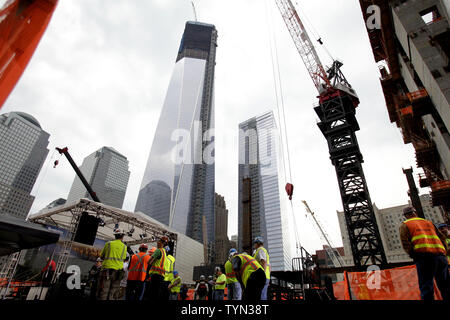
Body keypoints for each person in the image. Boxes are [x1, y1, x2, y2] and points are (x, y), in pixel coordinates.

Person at [399, 207, 449, 300]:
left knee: (426, 287)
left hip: (424, 258)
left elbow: (405, 243)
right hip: (440, 257)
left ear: (406, 216)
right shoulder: (428, 222)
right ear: (415, 213)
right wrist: (444, 251)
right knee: (445, 286)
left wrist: (414, 255)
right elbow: (442, 238)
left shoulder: (405, 225)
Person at [98, 228, 128, 300]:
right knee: (113, 292)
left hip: (107, 270)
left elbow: (101, 256)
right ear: (122, 237)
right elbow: (124, 258)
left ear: (115, 236)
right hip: (118, 272)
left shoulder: (108, 244)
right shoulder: (124, 247)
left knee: (104, 290)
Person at [145, 236, 169, 300]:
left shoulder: (158, 251)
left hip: (155, 276)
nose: (158, 242)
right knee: (156, 295)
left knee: (151, 294)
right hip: (161, 276)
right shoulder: (164, 252)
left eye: (159, 241)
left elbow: (149, 262)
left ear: (162, 243)